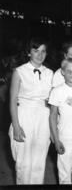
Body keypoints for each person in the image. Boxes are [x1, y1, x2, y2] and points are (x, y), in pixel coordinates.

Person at [9, 37, 53, 184]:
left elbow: (53, 99)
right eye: (36, 51)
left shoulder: (50, 73)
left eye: (43, 51)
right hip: (24, 116)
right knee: (23, 161)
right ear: (29, 53)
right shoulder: (19, 72)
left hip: (44, 117)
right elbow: (13, 100)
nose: (40, 55)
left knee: (39, 161)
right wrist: (16, 125)